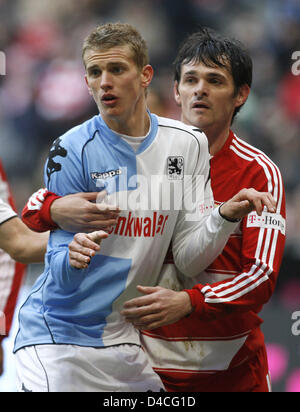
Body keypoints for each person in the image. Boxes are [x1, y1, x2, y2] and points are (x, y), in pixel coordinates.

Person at [16, 23, 276, 393]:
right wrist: (62, 238)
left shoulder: (188, 147)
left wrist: (222, 217)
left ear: (145, 76)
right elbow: (54, 267)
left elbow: (193, 259)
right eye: (94, 72)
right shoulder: (70, 150)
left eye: (117, 69)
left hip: (128, 345)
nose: (104, 82)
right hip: (65, 338)